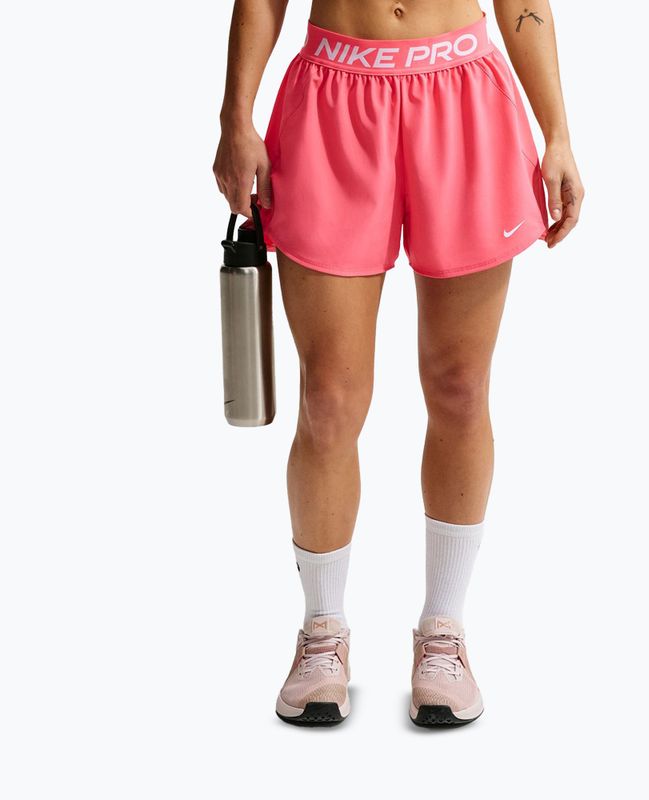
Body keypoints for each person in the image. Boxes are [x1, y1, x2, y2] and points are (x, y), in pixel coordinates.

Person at [213, 0, 583, 728]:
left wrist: (559, 132)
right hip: (333, 96)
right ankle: (322, 632)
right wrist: (236, 116)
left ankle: (443, 632)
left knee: (460, 387)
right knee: (328, 398)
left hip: (463, 96)